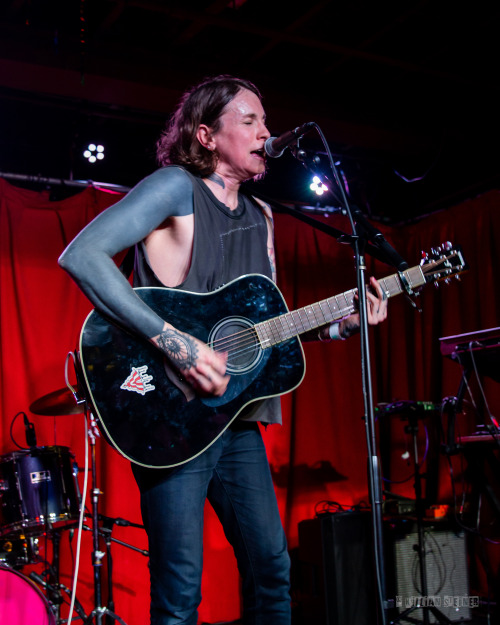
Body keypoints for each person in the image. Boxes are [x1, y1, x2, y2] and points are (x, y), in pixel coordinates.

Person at [58, 75, 388, 625]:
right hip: (169, 417)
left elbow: (262, 328)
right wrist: (176, 344)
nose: (267, 132)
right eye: (251, 120)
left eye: (266, 121)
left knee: (272, 570)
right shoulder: (175, 188)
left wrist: (339, 325)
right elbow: (83, 255)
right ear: (208, 135)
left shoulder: (263, 216)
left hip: (234, 422)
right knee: (181, 588)